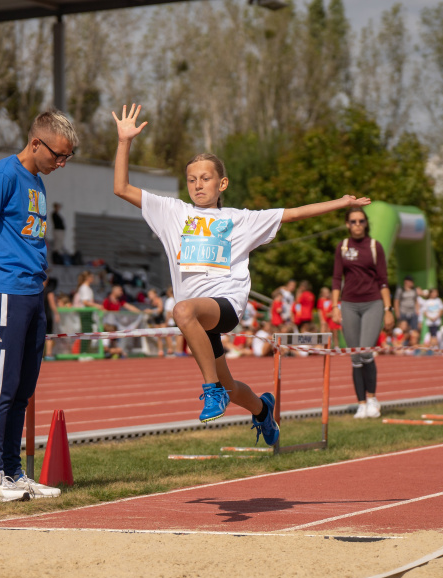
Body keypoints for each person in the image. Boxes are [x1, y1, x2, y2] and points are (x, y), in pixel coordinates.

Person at [112, 103, 372, 445]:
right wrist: (124, 141)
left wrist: (341, 203)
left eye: (205, 178)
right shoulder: (172, 212)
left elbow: (293, 214)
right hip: (199, 320)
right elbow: (121, 188)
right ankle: (262, 410)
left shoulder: (240, 219)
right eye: (191, 179)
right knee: (231, 386)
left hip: (225, 305)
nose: (197, 185)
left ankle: (210, 391)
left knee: (181, 311)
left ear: (222, 183)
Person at [0, 109, 77, 502]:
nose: (61, 163)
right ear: (35, 143)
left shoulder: (37, 182)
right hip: (4, 292)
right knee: (2, 387)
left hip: (33, 293)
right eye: (58, 155)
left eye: (67, 157)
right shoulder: (3, 175)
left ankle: (12, 471)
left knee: (24, 390)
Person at [331, 207, 394, 419]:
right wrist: (334, 306)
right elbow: (336, 279)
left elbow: (383, 280)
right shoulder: (343, 246)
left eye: (360, 221)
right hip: (349, 304)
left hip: (373, 303)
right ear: (347, 224)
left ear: (366, 223)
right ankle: (361, 403)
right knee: (355, 355)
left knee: (366, 351)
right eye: (353, 221)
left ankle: (373, 398)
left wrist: (388, 310)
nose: (357, 225)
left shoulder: (375, 247)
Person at [43, 275, 60, 361]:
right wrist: (56, 314)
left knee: (39, 336)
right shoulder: (49, 291)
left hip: (38, 316)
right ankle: (48, 354)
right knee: (49, 336)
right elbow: (52, 303)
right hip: (47, 316)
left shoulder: (36, 290)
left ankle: (41, 355)